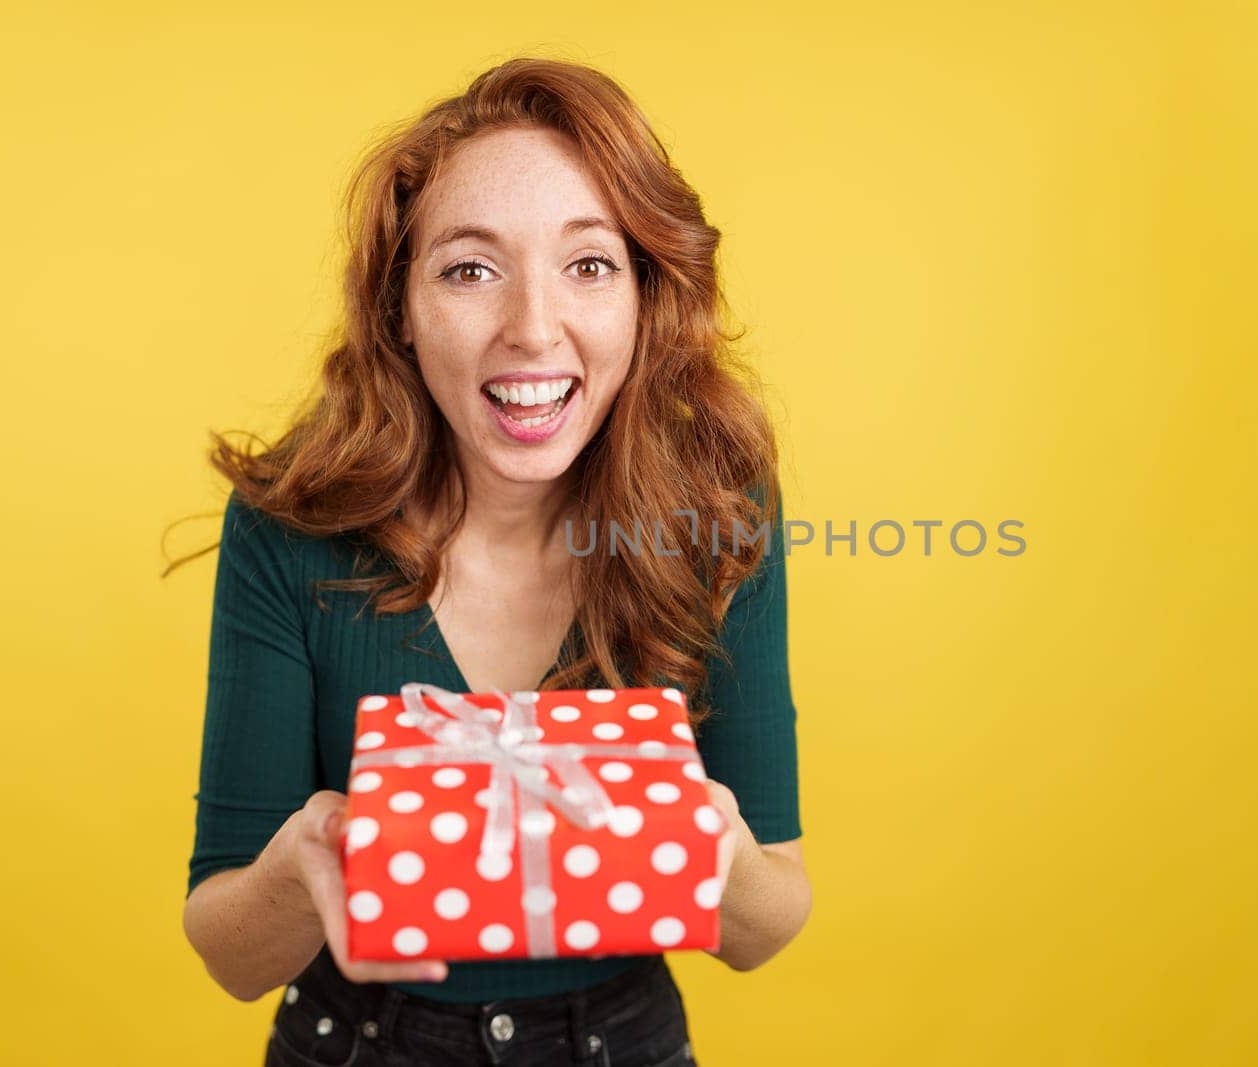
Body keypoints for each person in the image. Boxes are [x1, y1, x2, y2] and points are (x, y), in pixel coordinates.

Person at [171, 55, 812, 1067]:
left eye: (589, 264)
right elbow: (230, 951)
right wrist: (298, 868)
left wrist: (713, 838)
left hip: (624, 1041)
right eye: (470, 268)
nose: (531, 328)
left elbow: (765, 926)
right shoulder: (291, 529)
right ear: (399, 313)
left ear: (646, 297)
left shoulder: (717, 517)